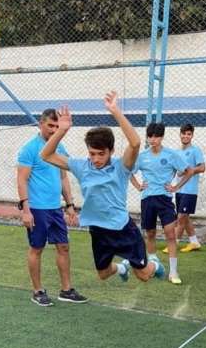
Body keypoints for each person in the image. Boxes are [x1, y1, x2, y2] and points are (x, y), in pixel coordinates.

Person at [40, 91, 165, 284]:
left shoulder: (121, 167)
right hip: (98, 231)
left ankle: (155, 264)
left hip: (123, 230)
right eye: (92, 153)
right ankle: (122, 267)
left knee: (143, 275)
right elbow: (46, 155)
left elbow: (135, 142)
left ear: (111, 151)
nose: (96, 159)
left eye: (101, 154)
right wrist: (62, 130)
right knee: (103, 273)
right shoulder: (82, 166)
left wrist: (115, 110)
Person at [16, 108, 87, 306]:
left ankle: (66, 290)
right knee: (37, 248)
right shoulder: (29, 148)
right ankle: (38, 291)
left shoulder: (60, 148)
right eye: (50, 126)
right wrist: (26, 210)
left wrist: (70, 204)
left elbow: (64, 177)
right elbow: (22, 180)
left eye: (57, 126)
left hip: (55, 209)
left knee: (63, 247)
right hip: (37, 209)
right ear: (41, 124)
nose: (54, 129)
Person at [130, 122, 192, 284]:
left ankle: (173, 272)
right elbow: (128, 171)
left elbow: (189, 171)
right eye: (150, 136)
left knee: (170, 234)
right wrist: (138, 186)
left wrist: (175, 187)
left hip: (165, 200)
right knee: (150, 234)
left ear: (162, 137)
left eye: (156, 136)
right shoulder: (142, 156)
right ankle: (154, 265)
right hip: (147, 199)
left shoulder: (171, 155)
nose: (153, 139)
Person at [162, 123, 205, 253]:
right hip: (179, 190)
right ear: (180, 134)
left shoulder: (195, 150)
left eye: (189, 134)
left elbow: (202, 167)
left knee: (181, 218)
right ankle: (194, 242)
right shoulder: (177, 152)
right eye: (184, 133)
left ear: (192, 135)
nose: (186, 136)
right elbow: (173, 170)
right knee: (185, 217)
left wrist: (189, 170)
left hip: (190, 190)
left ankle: (174, 244)